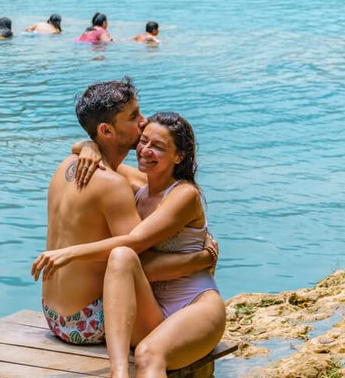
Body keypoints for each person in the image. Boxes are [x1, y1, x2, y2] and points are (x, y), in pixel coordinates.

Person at [32, 112, 224, 378]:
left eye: (160, 147)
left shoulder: (184, 194)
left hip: (195, 304)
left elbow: (137, 243)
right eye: (144, 141)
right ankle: (119, 374)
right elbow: (94, 151)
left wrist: (68, 253)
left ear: (179, 156)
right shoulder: (136, 183)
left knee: (152, 352)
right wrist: (86, 146)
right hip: (152, 306)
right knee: (119, 259)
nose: (147, 151)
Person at [36, 80, 215, 347]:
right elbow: (139, 266)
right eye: (133, 117)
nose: (143, 122)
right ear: (107, 130)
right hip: (89, 321)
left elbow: (146, 184)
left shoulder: (66, 166)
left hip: (54, 316)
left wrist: (88, 144)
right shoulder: (113, 185)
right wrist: (201, 259)